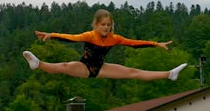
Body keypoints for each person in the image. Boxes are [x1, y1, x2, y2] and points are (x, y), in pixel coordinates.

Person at [23, 9, 187, 81]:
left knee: (133, 72)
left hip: (101, 68)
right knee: (65, 66)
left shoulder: (114, 38)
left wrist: (155, 44)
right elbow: (71, 38)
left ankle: (170, 74)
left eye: (108, 25)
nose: (106, 27)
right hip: (85, 67)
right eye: (103, 25)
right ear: (96, 25)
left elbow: (134, 43)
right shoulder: (90, 35)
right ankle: (38, 64)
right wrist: (52, 35)